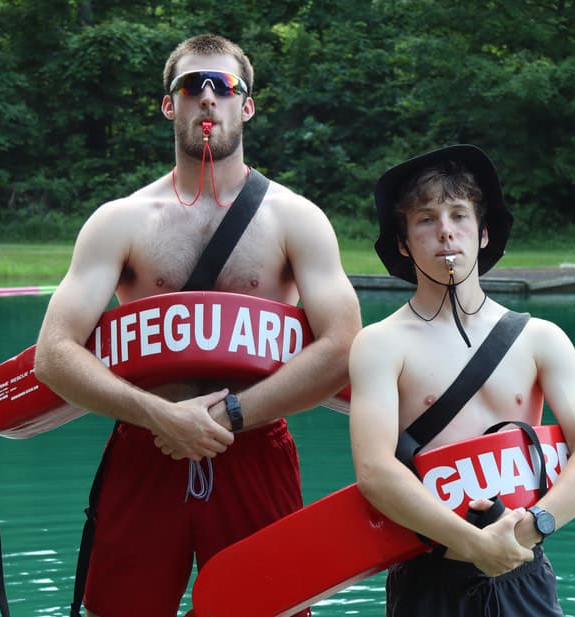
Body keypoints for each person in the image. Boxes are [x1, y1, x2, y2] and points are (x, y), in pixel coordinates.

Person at [33, 34, 361, 617]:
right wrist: (158, 415)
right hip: (143, 444)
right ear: (169, 105)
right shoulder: (120, 221)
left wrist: (230, 416)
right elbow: (54, 353)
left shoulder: (296, 219)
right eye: (190, 85)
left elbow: (342, 348)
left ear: (247, 105)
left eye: (223, 86)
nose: (206, 97)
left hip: (254, 447)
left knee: (269, 608)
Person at [347, 145, 575, 615]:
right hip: (427, 570)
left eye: (458, 215)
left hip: (522, 562)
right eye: (425, 219)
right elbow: (375, 471)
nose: (445, 230)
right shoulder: (380, 344)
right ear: (405, 244)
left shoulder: (540, 339)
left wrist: (525, 532)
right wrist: (474, 544)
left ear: (483, 233)